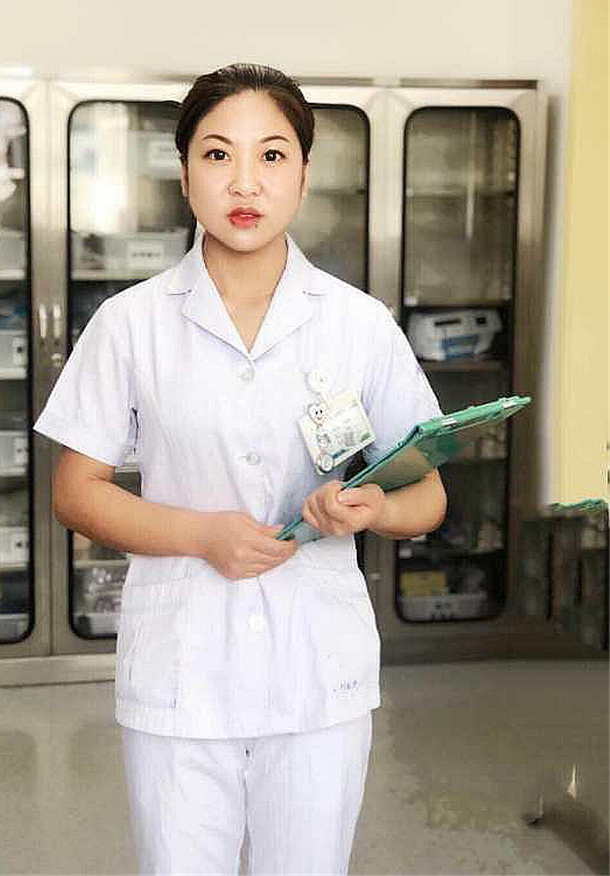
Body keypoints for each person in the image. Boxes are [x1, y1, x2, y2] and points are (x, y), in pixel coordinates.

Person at [33, 63, 447, 875]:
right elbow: (76, 493)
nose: (246, 182)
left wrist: (371, 508)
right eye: (219, 154)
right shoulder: (129, 324)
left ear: (305, 174)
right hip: (181, 670)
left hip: (317, 671)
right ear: (185, 173)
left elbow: (427, 492)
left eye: (273, 155)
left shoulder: (360, 326)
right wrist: (203, 535)